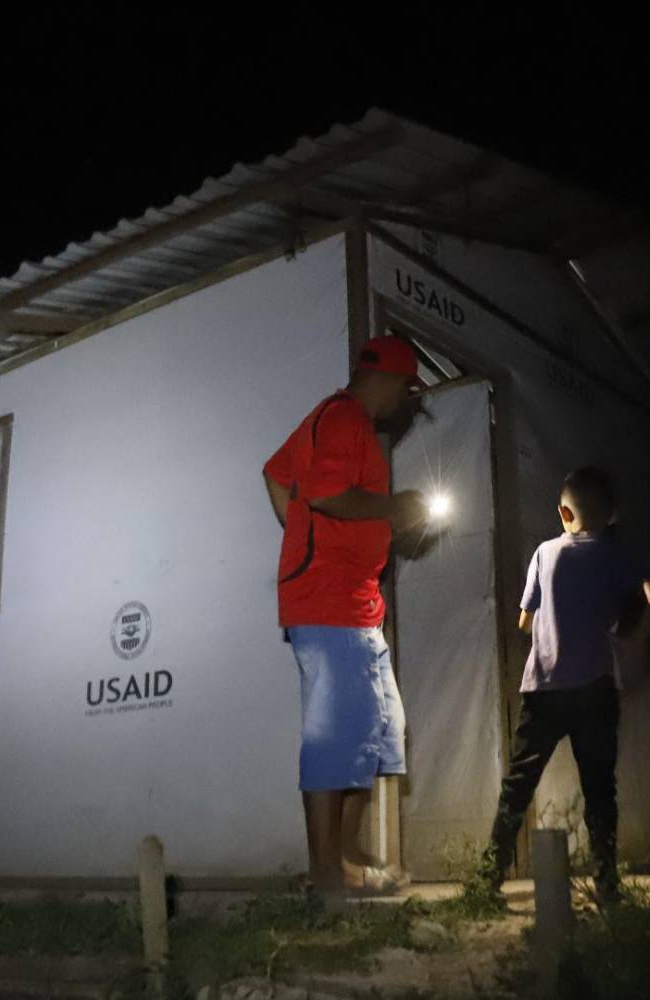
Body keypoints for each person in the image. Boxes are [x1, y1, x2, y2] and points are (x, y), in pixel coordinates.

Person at [262, 335, 430, 896]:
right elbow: (329, 493)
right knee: (334, 734)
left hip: (355, 604)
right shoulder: (345, 419)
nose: (408, 404)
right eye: (410, 391)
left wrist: (306, 536)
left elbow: (276, 473)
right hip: (330, 603)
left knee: (380, 730)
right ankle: (328, 876)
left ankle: (348, 857)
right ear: (396, 382)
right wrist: (388, 509)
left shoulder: (337, 418)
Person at [482, 467, 650, 906]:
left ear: (564, 512)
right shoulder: (616, 555)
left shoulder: (544, 553)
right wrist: (633, 638)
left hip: (544, 687)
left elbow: (525, 621)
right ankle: (606, 883)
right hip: (596, 687)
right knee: (600, 787)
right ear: (610, 514)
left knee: (519, 783)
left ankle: (486, 877)